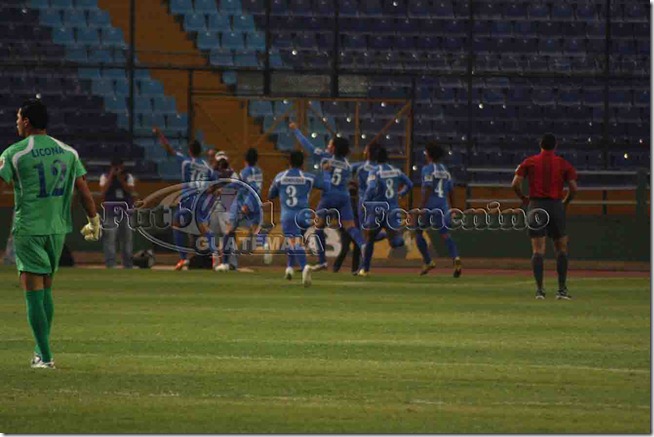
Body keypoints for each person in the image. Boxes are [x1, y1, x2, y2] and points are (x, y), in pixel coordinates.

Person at [0, 99, 100, 369]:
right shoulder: (68, 152)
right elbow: (84, 191)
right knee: (46, 290)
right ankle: (39, 350)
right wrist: (94, 220)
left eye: (18, 118)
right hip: (57, 230)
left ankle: (45, 357)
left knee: (32, 290)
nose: (16, 122)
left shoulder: (15, 153)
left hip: (29, 227)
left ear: (27, 122)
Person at [289, 122, 365, 271]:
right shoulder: (347, 164)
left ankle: (322, 261)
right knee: (350, 227)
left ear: (334, 148)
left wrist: (296, 131)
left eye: (330, 144)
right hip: (344, 197)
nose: (328, 146)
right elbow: (351, 172)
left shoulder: (325, 158)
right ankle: (364, 245)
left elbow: (309, 147)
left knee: (318, 226)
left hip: (329, 196)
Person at [511, 133, 578, 300]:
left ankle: (540, 290)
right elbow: (573, 187)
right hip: (555, 205)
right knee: (561, 248)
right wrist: (565, 202)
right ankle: (561, 290)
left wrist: (524, 198)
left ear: (540, 145)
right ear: (555, 146)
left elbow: (515, 183)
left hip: (536, 206)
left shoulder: (530, 162)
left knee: (538, 250)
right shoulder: (563, 163)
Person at [153, 127, 215, 270]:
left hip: (188, 198)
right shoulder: (207, 166)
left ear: (190, 151)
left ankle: (183, 258)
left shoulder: (186, 161)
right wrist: (209, 191)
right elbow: (215, 182)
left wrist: (160, 135)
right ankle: (215, 256)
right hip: (202, 199)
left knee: (177, 224)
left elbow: (170, 150)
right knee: (203, 228)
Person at [268, 150, 325, 286]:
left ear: (289, 162)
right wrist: (326, 172)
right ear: (302, 163)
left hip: (288, 215)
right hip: (304, 216)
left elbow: (270, 195)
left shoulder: (280, 177)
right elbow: (324, 185)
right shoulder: (308, 177)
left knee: (294, 242)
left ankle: (305, 266)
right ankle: (289, 268)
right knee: (294, 241)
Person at [358, 147, 413, 276]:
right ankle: (403, 239)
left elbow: (371, 188)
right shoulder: (396, 171)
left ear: (376, 159)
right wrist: (401, 193)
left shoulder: (375, 171)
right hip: (393, 210)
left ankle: (365, 269)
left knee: (370, 238)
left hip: (378, 208)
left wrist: (365, 201)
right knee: (395, 243)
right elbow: (409, 184)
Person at [414, 142, 462, 277]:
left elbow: (428, 187)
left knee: (418, 231)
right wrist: (453, 208)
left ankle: (428, 261)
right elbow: (452, 191)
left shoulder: (427, 169)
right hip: (443, 206)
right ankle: (456, 257)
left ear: (428, 154)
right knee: (445, 234)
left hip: (430, 206)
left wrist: (422, 207)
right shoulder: (445, 170)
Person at [215, 148, 263, 272]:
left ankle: (225, 263)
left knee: (229, 230)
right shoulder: (259, 172)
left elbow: (237, 184)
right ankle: (266, 245)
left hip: (243, 203)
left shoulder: (245, 172)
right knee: (255, 230)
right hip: (255, 203)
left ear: (245, 160)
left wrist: (224, 189)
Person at [99, 158, 136, 268]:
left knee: (127, 239)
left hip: (125, 211)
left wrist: (120, 178)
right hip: (110, 210)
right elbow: (103, 190)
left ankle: (128, 264)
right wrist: (111, 175)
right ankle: (110, 264)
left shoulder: (128, 177)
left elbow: (130, 190)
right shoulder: (105, 176)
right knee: (110, 238)